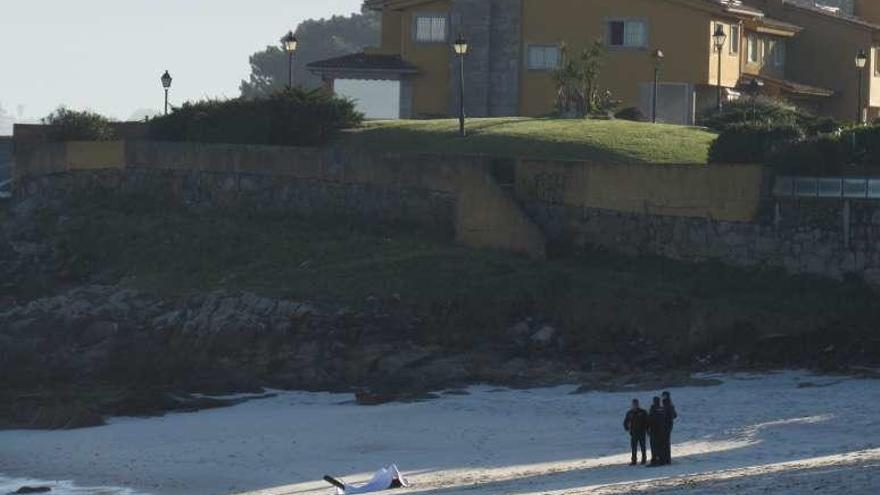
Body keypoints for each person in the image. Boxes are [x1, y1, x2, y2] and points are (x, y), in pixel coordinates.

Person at [623, 399, 648, 465]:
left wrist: (647, 429)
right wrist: (627, 428)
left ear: (638, 404)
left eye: (636, 404)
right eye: (634, 404)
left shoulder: (643, 412)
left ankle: (644, 459)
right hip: (633, 432)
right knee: (634, 447)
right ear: (632, 405)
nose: (635, 405)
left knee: (643, 446)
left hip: (642, 432)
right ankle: (634, 460)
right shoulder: (630, 413)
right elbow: (626, 421)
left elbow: (647, 421)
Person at [647, 396, 668, 466]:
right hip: (661, 430)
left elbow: (650, 419)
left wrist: (648, 429)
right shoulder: (662, 409)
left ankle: (655, 460)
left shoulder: (653, 409)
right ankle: (661, 460)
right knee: (661, 446)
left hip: (654, 430)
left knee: (654, 446)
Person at [662, 391, 678, 465]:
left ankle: (667, 459)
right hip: (667, 424)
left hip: (667, 424)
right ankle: (666, 459)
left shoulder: (667, 404)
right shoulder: (668, 404)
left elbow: (674, 415)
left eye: (664, 395)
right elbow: (674, 415)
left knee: (666, 442)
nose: (663, 397)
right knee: (665, 442)